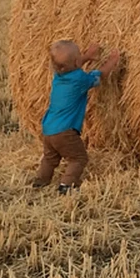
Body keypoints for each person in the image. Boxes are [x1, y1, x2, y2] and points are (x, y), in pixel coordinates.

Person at [32, 40, 121, 194]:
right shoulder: (80, 79)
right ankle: (67, 184)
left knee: (49, 158)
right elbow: (101, 75)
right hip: (65, 132)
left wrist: (86, 56)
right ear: (76, 62)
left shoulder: (58, 76)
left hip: (48, 129)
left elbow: (71, 65)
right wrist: (112, 60)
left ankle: (41, 181)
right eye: (80, 56)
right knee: (78, 158)